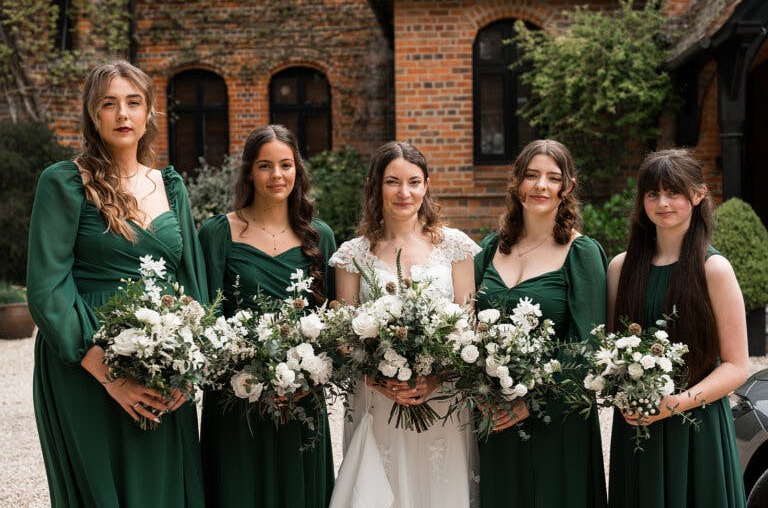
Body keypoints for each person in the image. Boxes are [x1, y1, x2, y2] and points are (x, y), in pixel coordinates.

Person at [26, 60, 207, 507]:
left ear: (149, 113)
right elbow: (47, 286)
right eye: (109, 104)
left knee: (163, 486)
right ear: (93, 114)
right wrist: (108, 374)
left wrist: (191, 364)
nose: (122, 114)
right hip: (84, 362)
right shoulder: (65, 182)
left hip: (166, 362)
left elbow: (194, 285)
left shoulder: (171, 185)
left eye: (133, 102)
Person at [329, 141, 481, 508]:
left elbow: (469, 328)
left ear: (426, 185)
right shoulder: (353, 254)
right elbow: (344, 335)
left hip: (443, 398)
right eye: (392, 182)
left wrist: (435, 378)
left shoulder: (455, 247)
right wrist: (380, 381)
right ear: (376, 186)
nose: (404, 192)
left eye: (414, 182)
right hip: (378, 401)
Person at [198, 124, 337, 507]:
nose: (277, 175)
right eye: (265, 166)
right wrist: (242, 370)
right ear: (249, 172)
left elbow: (334, 321)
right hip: (235, 399)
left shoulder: (319, 236)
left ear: (298, 170)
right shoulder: (218, 233)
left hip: (301, 395)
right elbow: (205, 317)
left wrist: (306, 373)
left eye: (286, 165)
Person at [607, 149, 748, 507]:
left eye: (673, 192)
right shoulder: (620, 269)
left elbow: (737, 365)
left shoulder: (714, 269)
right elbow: (609, 352)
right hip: (637, 426)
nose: (662, 202)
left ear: (698, 195)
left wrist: (675, 404)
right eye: (652, 193)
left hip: (697, 427)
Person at [474, 139, 607, 508]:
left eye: (552, 177)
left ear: (568, 187)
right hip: (496, 417)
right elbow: (464, 329)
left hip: (558, 422)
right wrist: (480, 392)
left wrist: (529, 403)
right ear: (516, 183)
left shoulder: (582, 254)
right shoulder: (489, 249)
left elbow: (591, 349)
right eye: (531, 176)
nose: (541, 186)